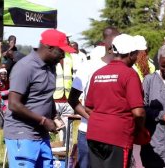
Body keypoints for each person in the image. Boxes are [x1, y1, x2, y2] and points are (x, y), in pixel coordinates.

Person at [4, 29, 75, 167]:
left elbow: (46, 95)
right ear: (49, 47)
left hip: (41, 134)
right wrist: (43, 120)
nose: (63, 56)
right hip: (22, 134)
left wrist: (54, 116)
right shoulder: (25, 67)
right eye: (61, 51)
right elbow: (13, 104)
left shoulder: (51, 67)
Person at [85, 34, 147, 168]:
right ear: (130, 54)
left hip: (94, 135)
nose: (137, 58)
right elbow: (138, 112)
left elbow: (88, 107)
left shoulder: (98, 73)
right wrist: (140, 129)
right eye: (136, 54)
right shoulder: (129, 74)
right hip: (118, 137)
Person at [68, 26, 120, 168]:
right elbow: (72, 99)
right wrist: (93, 119)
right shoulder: (88, 67)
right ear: (107, 44)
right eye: (114, 43)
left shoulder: (126, 68)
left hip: (115, 134)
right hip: (88, 133)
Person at [53, 33, 76, 145]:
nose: (67, 40)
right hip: (54, 99)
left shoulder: (69, 56)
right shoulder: (51, 56)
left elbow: (71, 75)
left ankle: (67, 156)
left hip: (67, 99)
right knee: (54, 130)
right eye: (66, 38)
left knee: (69, 132)